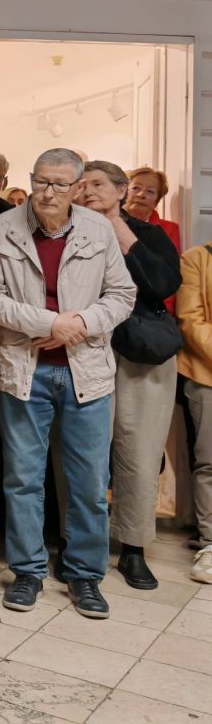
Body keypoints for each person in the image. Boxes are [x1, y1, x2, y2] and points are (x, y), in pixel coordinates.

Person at [0, 149, 135, 619]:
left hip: (87, 371)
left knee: (89, 482)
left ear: (77, 187)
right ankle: (27, 572)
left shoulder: (98, 229)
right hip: (24, 371)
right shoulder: (2, 228)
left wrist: (78, 324)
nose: (47, 192)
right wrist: (49, 323)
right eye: (41, 181)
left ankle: (84, 575)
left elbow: (122, 295)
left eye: (60, 184)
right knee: (23, 479)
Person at [77, 161, 181, 590]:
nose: (88, 191)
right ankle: (81, 542)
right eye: (82, 185)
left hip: (142, 355)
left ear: (121, 191)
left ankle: (133, 548)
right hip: (85, 349)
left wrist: (116, 224)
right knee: (84, 452)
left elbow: (162, 283)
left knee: (139, 453)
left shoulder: (149, 235)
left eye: (98, 184)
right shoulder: (69, 233)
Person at [178, 240, 212, 583]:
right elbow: (191, 321)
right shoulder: (196, 259)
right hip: (206, 375)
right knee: (210, 463)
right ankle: (211, 543)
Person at [126, 166, 182, 254]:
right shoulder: (109, 223)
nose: (141, 194)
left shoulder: (170, 229)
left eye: (150, 191)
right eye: (136, 188)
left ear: (156, 201)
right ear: (124, 192)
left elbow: (171, 261)